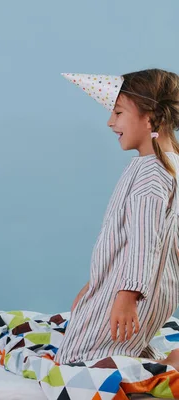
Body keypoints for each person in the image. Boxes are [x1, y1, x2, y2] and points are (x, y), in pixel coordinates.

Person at [56, 69, 179, 367]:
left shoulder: (150, 175)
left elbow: (144, 242)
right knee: (105, 349)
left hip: (132, 290)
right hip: (148, 286)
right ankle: (158, 361)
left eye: (119, 112)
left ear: (150, 117)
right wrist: (96, 283)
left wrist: (126, 296)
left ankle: (168, 367)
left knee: (75, 363)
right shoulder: (166, 164)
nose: (111, 122)